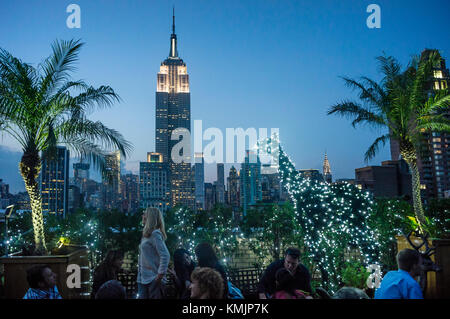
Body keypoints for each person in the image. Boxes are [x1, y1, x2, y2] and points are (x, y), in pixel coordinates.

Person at [137, 207, 170, 299]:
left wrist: (160, 275)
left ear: (150, 217)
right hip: (143, 278)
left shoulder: (155, 234)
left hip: (152, 279)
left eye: (144, 214)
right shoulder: (146, 235)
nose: (142, 216)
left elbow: (165, 255)